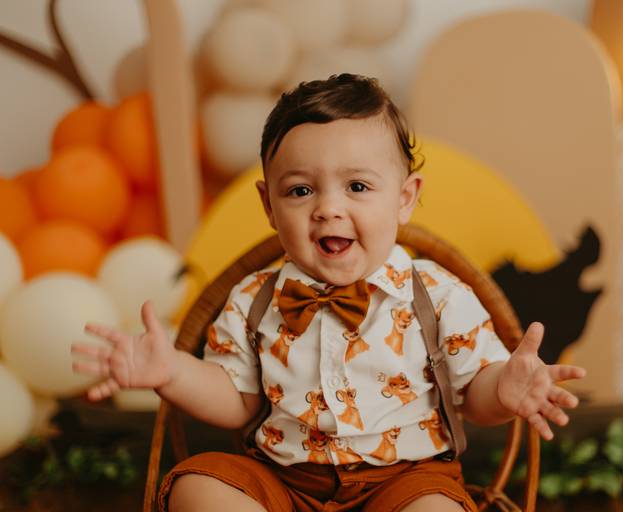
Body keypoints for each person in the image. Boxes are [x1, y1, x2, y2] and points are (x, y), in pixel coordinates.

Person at [72, 73, 586, 512]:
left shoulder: (437, 295)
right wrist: (172, 372)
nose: (328, 209)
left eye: (357, 187)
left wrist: (504, 390)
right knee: (196, 488)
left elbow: (475, 394)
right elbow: (234, 399)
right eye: (300, 190)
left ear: (405, 198)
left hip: (404, 482)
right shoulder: (254, 299)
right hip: (283, 482)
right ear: (269, 206)